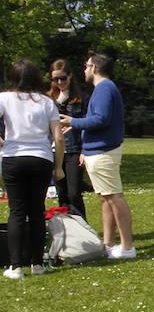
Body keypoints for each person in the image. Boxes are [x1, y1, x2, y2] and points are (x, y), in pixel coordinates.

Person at [60, 53, 135, 259]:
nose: (84, 70)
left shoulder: (104, 89)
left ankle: (127, 247)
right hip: (98, 150)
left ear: (94, 68)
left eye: (86, 66)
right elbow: (97, 119)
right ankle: (109, 244)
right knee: (106, 199)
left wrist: (72, 122)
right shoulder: (103, 89)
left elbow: (100, 119)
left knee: (114, 197)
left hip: (103, 151)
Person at [0, 59, 66, 279]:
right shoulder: (47, 102)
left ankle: (16, 266)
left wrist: (4, 143)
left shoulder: (4, 98)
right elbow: (58, 136)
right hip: (41, 159)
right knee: (37, 211)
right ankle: (37, 264)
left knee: (17, 212)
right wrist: (58, 167)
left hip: (14, 157)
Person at [49, 59, 88, 219]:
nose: (59, 82)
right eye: (55, 79)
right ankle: (68, 230)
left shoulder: (81, 98)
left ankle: (81, 226)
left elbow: (88, 124)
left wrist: (85, 150)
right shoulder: (49, 99)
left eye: (63, 78)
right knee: (61, 193)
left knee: (74, 193)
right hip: (53, 150)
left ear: (70, 76)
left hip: (74, 150)